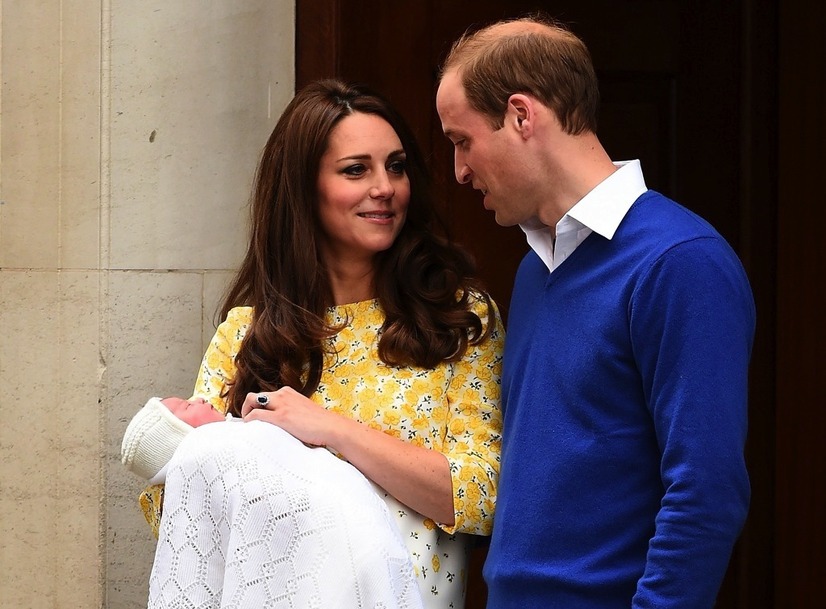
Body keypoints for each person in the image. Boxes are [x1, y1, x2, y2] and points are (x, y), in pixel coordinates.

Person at [134, 78, 505, 609]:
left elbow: (481, 496)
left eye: (396, 166)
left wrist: (328, 429)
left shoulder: (457, 318)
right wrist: (182, 446)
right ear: (304, 188)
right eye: (356, 170)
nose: (385, 187)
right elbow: (189, 517)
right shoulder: (247, 333)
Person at [435, 15, 756, 609]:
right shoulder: (537, 269)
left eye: (462, 140)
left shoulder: (679, 261)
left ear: (521, 116)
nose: (458, 171)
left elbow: (707, 492)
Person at [122, 396, 422, 608]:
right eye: (187, 406)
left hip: (357, 523)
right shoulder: (205, 453)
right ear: (180, 437)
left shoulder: (242, 433)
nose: (200, 397)